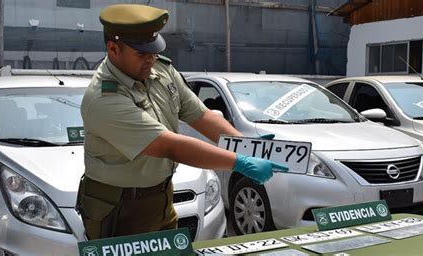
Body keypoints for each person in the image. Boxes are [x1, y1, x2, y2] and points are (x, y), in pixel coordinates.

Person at [76, 3, 288, 240]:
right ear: (114, 49)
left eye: (153, 52)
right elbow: (170, 146)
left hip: (162, 196)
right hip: (120, 206)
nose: (151, 59)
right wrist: (239, 162)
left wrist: (246, 146)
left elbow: (201, 115)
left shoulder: (161, 71)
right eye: (141, 54)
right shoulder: (104, 98)